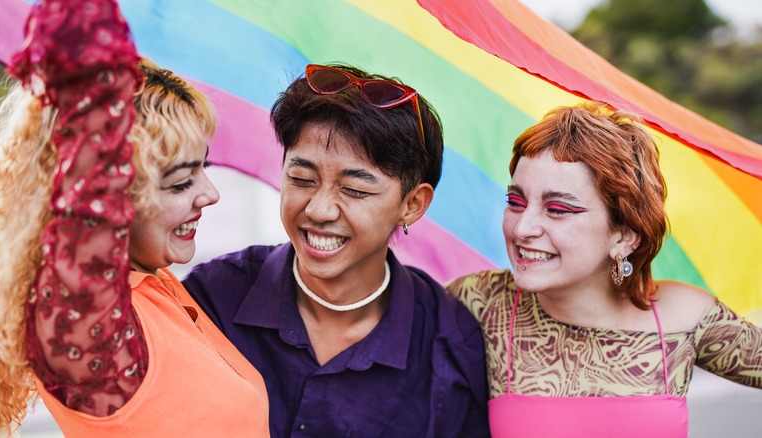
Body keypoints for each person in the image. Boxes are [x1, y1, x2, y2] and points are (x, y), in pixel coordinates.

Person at [0, 0, 268, 436]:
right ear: (114, 197)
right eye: (179, 183)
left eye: (202, 169)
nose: (210, 195)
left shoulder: (157, 286)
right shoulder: (93, 332)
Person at [183, 63, 490, 437]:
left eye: (355, 190)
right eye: (302, 179)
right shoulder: (209, 300)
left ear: (412, 204)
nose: (318, 210)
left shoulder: (452, 346)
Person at [446, 102, 762, 437]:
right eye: (516, 202)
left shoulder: (684, 317)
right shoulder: (480, 302)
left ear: (624, 236)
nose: (522, 228)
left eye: (557, 209)